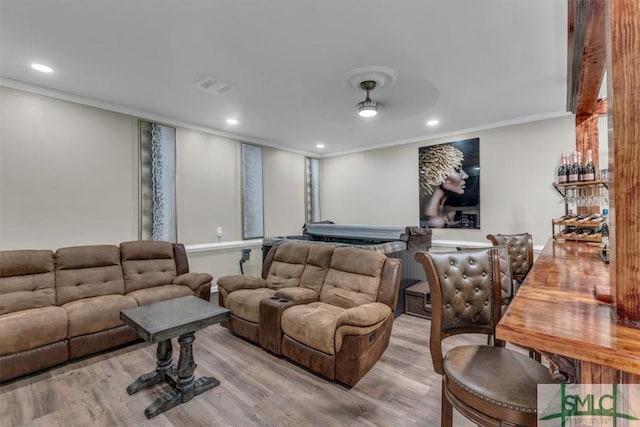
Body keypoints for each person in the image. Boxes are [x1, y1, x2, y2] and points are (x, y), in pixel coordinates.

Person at [419, 144, 469, 228]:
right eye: (457, 170)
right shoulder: (436, 221)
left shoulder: (443, 212)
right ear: (439, 175)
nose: (465, 175)